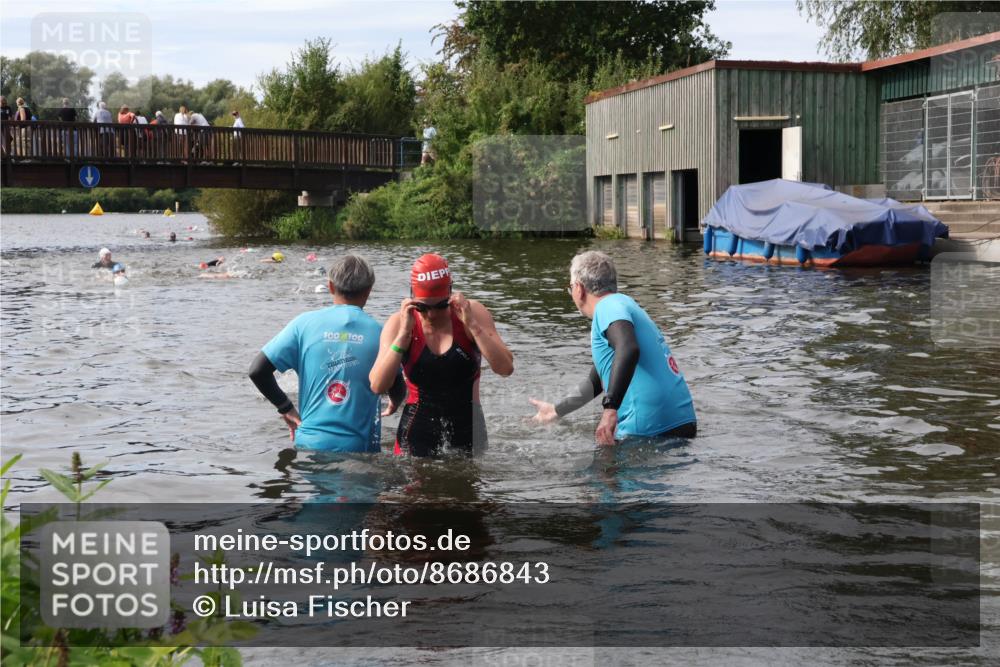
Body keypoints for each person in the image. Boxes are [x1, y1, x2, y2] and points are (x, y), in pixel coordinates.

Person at [529, 251, 696, 444]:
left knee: (597, 472)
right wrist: (556, 410)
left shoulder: (607, 307)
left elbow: (628, 349)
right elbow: (596, 382)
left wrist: (610, 409)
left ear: (578, 289)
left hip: (648, 425)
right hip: (682, 420)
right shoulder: (625, 305)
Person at [249, 255, 406, 451]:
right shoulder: (381, 333)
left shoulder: (303, 324)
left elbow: (257, 371)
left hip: (308, 444)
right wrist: (394, 403)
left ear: (330, 286)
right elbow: (396, 385)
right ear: (369, 291)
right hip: (358, 449)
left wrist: (286, 408)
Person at [369, 253, 514, 457]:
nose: (432, 314)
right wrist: (403, 336)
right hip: (416, 430)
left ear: (451, 293)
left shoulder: (472, 313)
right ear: (412, 297)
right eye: (423, 307)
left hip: (469, 429)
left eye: (440, 305)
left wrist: (472, 325)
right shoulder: (398, 323)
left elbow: (505, 368)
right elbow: (377, 385)